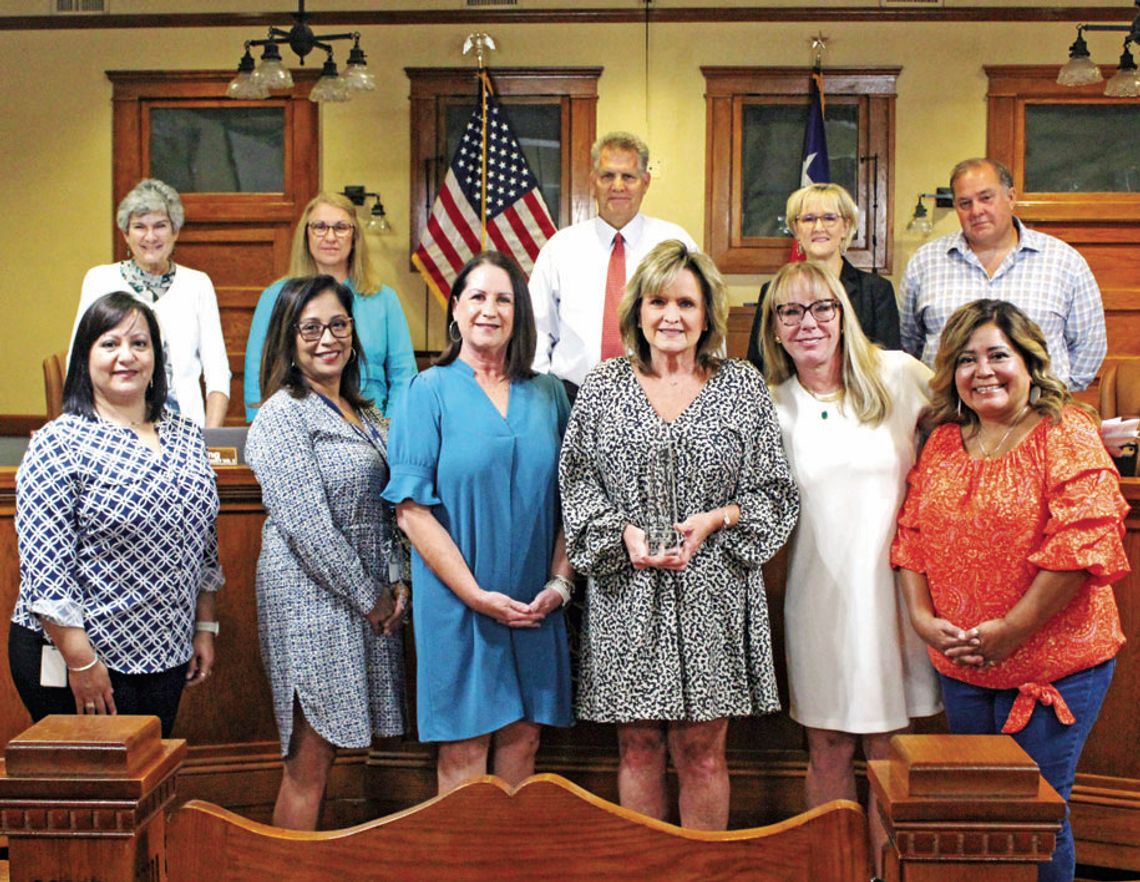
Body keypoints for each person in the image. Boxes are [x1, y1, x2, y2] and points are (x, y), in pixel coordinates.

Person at [559, 240, 799, 830]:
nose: (672, 316)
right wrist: (622, 535)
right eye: (658, 301)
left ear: (707, 313)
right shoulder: (602, 386)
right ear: (637, 311)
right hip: (626, 593)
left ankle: (701, 872)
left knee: (703, 752)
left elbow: (775, 492)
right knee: (637, 748)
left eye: (686, 303)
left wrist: (718, 519)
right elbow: (577, 485)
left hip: (714, 592)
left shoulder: (742, 386)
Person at [892, 299, 1129, 882]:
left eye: (998, 355)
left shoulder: (1066, 430)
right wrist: (923, 620)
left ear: (1029, 361)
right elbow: (912, 536)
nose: (983, 371)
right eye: (967, 360)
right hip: (966, 665)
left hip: (1055, 664)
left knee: (1036, 815)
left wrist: (1013, 630)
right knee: (983, 812)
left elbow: (1084, 544)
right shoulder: (945, 440)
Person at [756, 260, 941, 874]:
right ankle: (835, 870)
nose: (808, 323)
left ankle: (885, 873)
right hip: (819, 597)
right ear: (775, 329)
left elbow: (984, 408)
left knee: (889, 749)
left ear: (843, 312)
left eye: (822, 308)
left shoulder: (898, 374)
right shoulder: (769, 404)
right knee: (828, 744)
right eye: (790, 312)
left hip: (896, 596)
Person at [382, 251, 573, 795]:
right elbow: (411, 513)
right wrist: (474, 595)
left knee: (524, 739)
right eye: (478, 297)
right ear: (456, 310)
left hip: (536, 602)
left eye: (503, 298)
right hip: (458, 601)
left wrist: (559, 585)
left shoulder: (550, 394)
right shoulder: (427, 391)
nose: (490, 309)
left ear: (520, 313)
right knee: (465, 750)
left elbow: (574, 503)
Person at [11, 292, 222, 738]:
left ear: (155, 357)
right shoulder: (58, 443)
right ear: (85, 357)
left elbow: (204, 545)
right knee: (93, 799)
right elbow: (47, 576)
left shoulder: (184, 435)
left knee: (148, 786)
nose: (126, 356)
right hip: (79, 661)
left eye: (139, 344)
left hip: (166, 654)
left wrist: (203, 626)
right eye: (109, 344)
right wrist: (82, 662)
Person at [246, 275, 408, 831]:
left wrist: (399, 581)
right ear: (288, 340)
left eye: (338, 325)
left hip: (363, 600)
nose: (327, 339)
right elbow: (307, 527)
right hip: (308, 600)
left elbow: (390, 508)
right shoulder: (281, 415)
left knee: (334, 755)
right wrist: (373, 598)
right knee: (308, 764)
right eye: (310, 328)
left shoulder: (363, 412)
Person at [901, 157, 1106, 391]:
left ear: (1011, 197)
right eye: (964, 203)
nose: (976, 211)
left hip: (1040, 416)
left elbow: (1089, 347)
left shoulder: (1065, 261)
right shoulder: (924, 262)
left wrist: (1052, 396)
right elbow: (909, 345)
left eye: (986, 198)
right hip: (947, 416)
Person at [529, 131, 698, 398]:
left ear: (645, 182)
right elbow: (536, 329)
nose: (617, 186)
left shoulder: (676, 243)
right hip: (572, 397)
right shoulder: (560, 249)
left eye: (628, 177)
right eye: (607, 176)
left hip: (660, 398)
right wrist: (540, 396)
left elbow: (703, 321)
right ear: (593, 181)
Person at [244, 192, 417, 421]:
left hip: (374, 425)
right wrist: (260, 423)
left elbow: (404, 375)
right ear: (306, 235)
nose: (330, 236)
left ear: (355, 236)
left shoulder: (384, 299)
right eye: (320, 227)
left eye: (341, 227)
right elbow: (259, 370)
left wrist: (393, 427)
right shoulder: (276, 296)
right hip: (297, 425)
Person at [72, 178, 231, 427]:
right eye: (139, 226)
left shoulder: (198, 284)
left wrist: (210, 442)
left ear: (175, 231)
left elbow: (218, 373)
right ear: (125, 234)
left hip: (186, 428)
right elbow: (78, 361)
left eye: (160, 225)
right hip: (111, 426)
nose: (150, 236)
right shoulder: (99, 280)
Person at [746, 182, 900, 372]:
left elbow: (890, 364)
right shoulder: (773, 291)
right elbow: (759, 362)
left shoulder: (876, 290)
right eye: (808, 219)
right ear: (796, 229)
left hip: (860, 396)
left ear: (846, 226)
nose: (818, 227)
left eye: (829, 218)